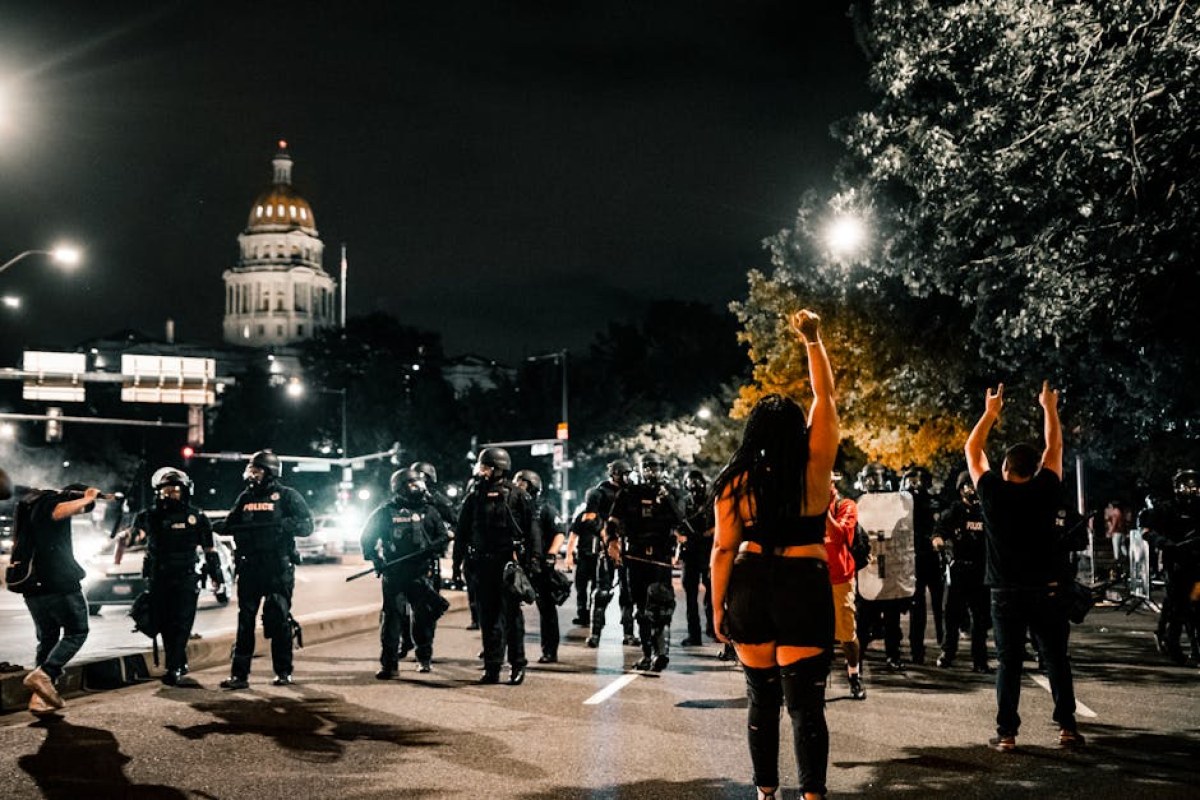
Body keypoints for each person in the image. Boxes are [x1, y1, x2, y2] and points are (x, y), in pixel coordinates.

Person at [712, 309, 838, 800]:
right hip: (803, 582)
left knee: (762, 701)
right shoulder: (814, 468)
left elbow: (724, 547)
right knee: (806, 705)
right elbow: (825, 398)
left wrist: (718, 607)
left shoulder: (736, 482)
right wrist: (812, 339)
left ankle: (766, 791)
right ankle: (812, 795)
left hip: (750, 582)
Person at [966, 381, 1083, 751]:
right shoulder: (1047, 487)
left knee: (1009, 663)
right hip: (1047, 589)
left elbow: (972, 449)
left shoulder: (992, 492)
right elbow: (1055, 446)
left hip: (1006, 592)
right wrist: (1049, 407)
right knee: (1056, 660)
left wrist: (991, 412)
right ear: (1036, 468)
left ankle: (1007, 734)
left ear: (1004, 467)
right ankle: (1067, 728)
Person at [2, 470, 101, 715]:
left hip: (31, 586)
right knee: (77, 631)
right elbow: (59, 511)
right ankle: (46, 673)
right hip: (58, 583)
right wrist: (88, 498)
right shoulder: (50, 501)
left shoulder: (28, 503)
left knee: (48, 638)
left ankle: (40, 699)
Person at [220, 450, 314, 689]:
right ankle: (239, 675)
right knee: (245, 622)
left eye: (257, 470)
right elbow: (231, 523)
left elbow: (307, 526)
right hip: (250, 567)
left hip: (277, 568)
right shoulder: (245, 497)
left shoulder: (287, 496)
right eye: (251, 470)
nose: (252, 475)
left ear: (270, 472)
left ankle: (283, 672)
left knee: (278, 618)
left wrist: (286, 525)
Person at [129, 468, 224, 685]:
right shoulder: (150, 516)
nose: (171, 494)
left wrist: (215, 574)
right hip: (159, 578)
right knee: (163, 623)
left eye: (175, 490)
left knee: (182, 623)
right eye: (166, 491)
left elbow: (210, 549)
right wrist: (131, 534)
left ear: (185, 491)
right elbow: (137, 536)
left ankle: (174, 666)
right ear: (158, 492)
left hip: (186, 577)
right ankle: (177, 662)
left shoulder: (197, 517)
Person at [456, 447, 536, 685]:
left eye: (486, 467)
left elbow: (533, 532)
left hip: (509, 565)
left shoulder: (517, 496)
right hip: (482, 564)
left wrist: (533, 562)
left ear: (498, 468)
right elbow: (462, 532)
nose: (482, 472)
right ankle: (492, 668)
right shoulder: (474, 496)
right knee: (489, 619)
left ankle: (517, 666)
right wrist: (457, 563)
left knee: (512, 619)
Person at [361, 468, 450, 676]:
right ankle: (389, 665)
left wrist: (435, 547)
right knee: (393, 619)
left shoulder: (430, 511)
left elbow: (442, 537)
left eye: (419, 483)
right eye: (412, 484)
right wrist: (376, 559)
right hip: (395, 573)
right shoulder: (386, 511)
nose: (418, 488)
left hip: (421, 574)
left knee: (423, 618)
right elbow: (367, 538)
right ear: (400, 488)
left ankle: (424, 658)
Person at [607, 452, 686, 671]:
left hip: (660, 556)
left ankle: (661, 653)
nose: (652, 472)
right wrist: (612, 542)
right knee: (640, 608)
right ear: (641, 470)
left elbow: (681, 520)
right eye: (648, 468)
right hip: (635, 556)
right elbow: (613, 521)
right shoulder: (629, 493)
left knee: (660, 604)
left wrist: (666, 498)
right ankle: (647, 653)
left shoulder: (672, 493)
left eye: (656, 467)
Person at [1139, 469, 1200, 665]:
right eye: (1186, 488)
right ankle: (1172, 643)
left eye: (1194, 488)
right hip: (1176, 564)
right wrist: (1163, 543)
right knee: (1178, 607)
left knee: (1196, 606)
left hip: (1197, 563)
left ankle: (1195, 647)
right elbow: (1147, 531)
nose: (1190, 492)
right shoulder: (1167, 509)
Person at [934, 471, 992, 673]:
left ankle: (980, 660)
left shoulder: (986, 511)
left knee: (980, 618)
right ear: (960, 490)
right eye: (968, 485)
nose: (972, 489)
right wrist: (939, 542)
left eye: (974, 485)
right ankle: (948, 653)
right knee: (952, 615)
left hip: (981, 570)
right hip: (958, 568)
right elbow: (938, 532)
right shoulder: (955, 511)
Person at [854, 463, 906, 671]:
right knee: (864, 617)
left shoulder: (894, 507)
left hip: (888, 566)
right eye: (870, 479)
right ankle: (857, 658)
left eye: (877, 478)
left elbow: (902, 536)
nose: (874, 483)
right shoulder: (858, 505)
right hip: (867, 566)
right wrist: (861, 555)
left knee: (891, 617)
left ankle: (892, 655)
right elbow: (853, 536)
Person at [582, 460, 638, 648]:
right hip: (607, 546)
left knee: (628, 591)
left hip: (628, 546)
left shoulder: (631, 493)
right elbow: (589, 519)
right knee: (602, 592)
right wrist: (606, 536)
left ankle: (629, 633)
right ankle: (595, 633)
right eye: (623, 473)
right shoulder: (599, 493)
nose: (627, 477)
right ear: (614, 474)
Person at [515, 469, 566, 663]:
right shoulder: (513, 507)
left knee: (546, 609)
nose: (518, 485)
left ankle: (550, 651)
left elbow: (559, 532)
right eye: (517, 481)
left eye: (523, 482)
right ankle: (500, 649)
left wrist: (552, 553)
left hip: (540, 565)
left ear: (533, 486)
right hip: (518, 563)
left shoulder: (545, 508)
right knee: (508, 608)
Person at [825, 476, 865, 700]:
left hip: (840, 577)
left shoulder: (846, 506)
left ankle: (854, 675)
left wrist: (824, 511)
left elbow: (838, 536)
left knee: (847, 633)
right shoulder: (805, 505)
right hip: (813, 577)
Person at [904, 466, 943, 664]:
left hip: (930, 556)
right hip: (916, 557)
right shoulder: (906, 501)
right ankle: (917, 649)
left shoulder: (933, 501)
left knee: (938, 604)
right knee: (917, 605)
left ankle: (944, 645)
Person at [679, 469, 715, 646]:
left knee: (712, 594)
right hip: (690, 552)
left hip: (707, 551)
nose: (694, 487)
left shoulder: (711, 501)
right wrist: (681, 536)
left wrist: (707, 533)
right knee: (691, 597)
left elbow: (719, 525)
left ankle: (713, 628)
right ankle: (695, 635)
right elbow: (678, 524)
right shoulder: (684, 502)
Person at [564, 510, 597, 627]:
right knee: (581, 588)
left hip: (596, 558)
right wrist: (569, 555)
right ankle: (584, 615)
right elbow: (573, 536)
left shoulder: (602, 515)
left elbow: (573, 537)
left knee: (593, 589)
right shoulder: (583, 516)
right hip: (584, 556)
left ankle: (592, 615)